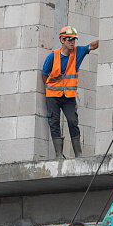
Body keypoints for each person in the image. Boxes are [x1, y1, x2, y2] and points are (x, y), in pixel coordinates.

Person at [42, 26, 99, 158]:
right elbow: (44, 74)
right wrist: (51, 88)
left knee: (73, 121)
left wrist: (104, 39)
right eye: (70, 39)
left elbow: (91, 46)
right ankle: (58, 155)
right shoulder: (53, 56)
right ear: (62, 40)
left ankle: (78, 154)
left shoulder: (78, 52)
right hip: (53, 96)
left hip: (68, 96)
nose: (72, 42)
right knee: (54, 122)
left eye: (74, 40)